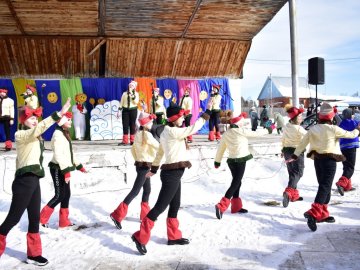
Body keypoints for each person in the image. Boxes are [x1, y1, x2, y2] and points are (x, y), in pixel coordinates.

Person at [131, 101, 212, 255]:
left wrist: (154, 169)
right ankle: (140, 237)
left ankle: (173, 237)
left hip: (174, 173)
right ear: (174, 119)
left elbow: (160, 152)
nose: (183, 119)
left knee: (175, 205)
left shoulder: (168, 132)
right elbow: (193, 128)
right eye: (181, 117)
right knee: (160, 207)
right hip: (171, 175)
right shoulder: (173, 132)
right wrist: (206, 113)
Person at [0, 98, 71, 266]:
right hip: (24, 181)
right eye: (31, 118)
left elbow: (37, 132)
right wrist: (58, 114)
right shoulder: (21, 135)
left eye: (35, 118)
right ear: (23, 120)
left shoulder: (35, 137)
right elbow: (39, 129)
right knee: (14, 218)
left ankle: (33, 254)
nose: (35, 120)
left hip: (34, 180)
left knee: (33, 218)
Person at [290, 102, 360, 232]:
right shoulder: (333, 129)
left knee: (324, 186)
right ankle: (313, 212)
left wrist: (294, 156)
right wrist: (358, 129)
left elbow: (302, 144)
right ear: (331, 117)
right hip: (329, 161)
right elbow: (351, 135)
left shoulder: (313, 129)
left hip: (317, 161)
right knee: (325, 186)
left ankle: (323, 214)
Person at [213, 112, 267, 219]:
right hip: (240, 160)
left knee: (237, 182)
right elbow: (255, 134)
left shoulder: (226, 133)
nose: (243, 125)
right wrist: (267, 130)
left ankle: (236, 207)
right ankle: (221, 205)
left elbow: (221, 149)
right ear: (238, 123)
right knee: (236, 182)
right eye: (242, 123)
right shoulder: (240, 131)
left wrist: (217, 161)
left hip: (231, 161)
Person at [110, 112, 159, 230]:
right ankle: (117, 214)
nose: (152, 123)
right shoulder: (147, 135)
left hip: (141, 165)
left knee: (147, 190)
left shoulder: (138, 134)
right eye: (150, 122)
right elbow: (157, 146)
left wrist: (138, 159)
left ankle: (144, 215)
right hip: (145, 166)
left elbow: (132, 150)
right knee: (135, 191)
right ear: (146, 123)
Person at [39, 112, 87, 229]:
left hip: (64, 168)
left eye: (71, 119)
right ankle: (41, 220)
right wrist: (66, 171)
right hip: (57, 169)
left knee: (67, 194)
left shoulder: (64, 133)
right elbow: (59, 155)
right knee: (59, 195)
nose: (71, 122)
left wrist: (79, 165)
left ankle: (64, 221)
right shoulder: (57, 135)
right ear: (61, 122)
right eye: (69, 120)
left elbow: (69, 153)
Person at [281, 105, 307, 208]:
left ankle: (293, 196)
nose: (302, 118)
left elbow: (283, 139)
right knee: (298, 173)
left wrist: (282, 150)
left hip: (287, 151)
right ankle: (288, 191)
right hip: (297, 152)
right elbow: (308, 136)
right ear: (295, 118)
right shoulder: (299, 129)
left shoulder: (286, 126)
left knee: (292, 173)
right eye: (300, 117)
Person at [335, 108, 359, 195]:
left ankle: (347, 186)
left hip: (343, 148)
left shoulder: (341, 123)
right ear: (350, 115)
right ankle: (341, 183)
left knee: (346, 166)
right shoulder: (355, 122)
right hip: (352, 147)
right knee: (350, 168)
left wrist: (335, 113)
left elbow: (336, 117)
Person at [118, 81, 139, 145]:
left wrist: (132, 95)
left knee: (132, 125)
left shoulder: (136, 94)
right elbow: (121, 103)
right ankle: (125, 141)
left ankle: (132, 140)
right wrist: (119, 111)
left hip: (133, 110)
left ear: (134, 87)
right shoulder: (124, 94)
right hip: (125, 111)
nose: (130, 86)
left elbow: (136, 102)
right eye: (130, 85)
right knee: (125, 125)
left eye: (132, 86)